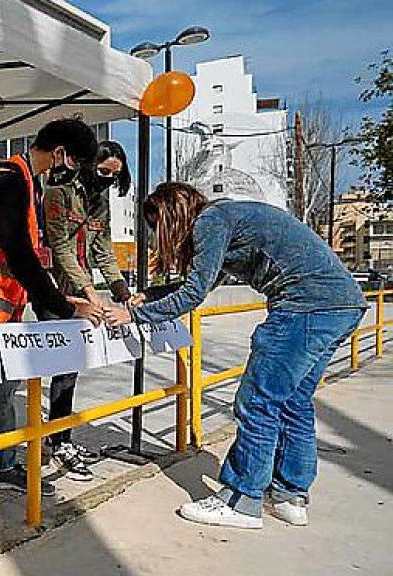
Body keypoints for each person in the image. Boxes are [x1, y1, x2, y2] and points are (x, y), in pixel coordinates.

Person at [105, 183, 366, 529]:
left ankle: (241, 499)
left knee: (257, 400)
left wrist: (133, 315)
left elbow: (193, 295)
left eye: (158, 227)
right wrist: (150, 295)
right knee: (292, 401)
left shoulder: (210, 222)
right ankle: (290, 496)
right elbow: (204, 283)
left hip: (305, 307)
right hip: (342, 304)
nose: (158, 237)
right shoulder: (228, 218)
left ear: (171, 216)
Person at [0, 118, 105, 523]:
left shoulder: (25, 183)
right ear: (59, 153)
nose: (74, 172)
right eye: (75, 163)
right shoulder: (8, 181)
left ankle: (1, 465)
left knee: (6, 388)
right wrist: (64, 306)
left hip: (3, 308)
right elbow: (21, 256)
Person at [39, 140, 134, 482]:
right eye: (104, 171)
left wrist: (123, 292)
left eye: (115, 175)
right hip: (53, 290)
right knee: (59, 364)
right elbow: (61, 247)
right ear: (90, 164)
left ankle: (59, 438)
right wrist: (89, 293)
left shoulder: (99, 200)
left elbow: (103, 249)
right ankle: (49, 439)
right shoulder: (58, 192)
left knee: (71, 367)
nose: (109, 179)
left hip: (82, 288)